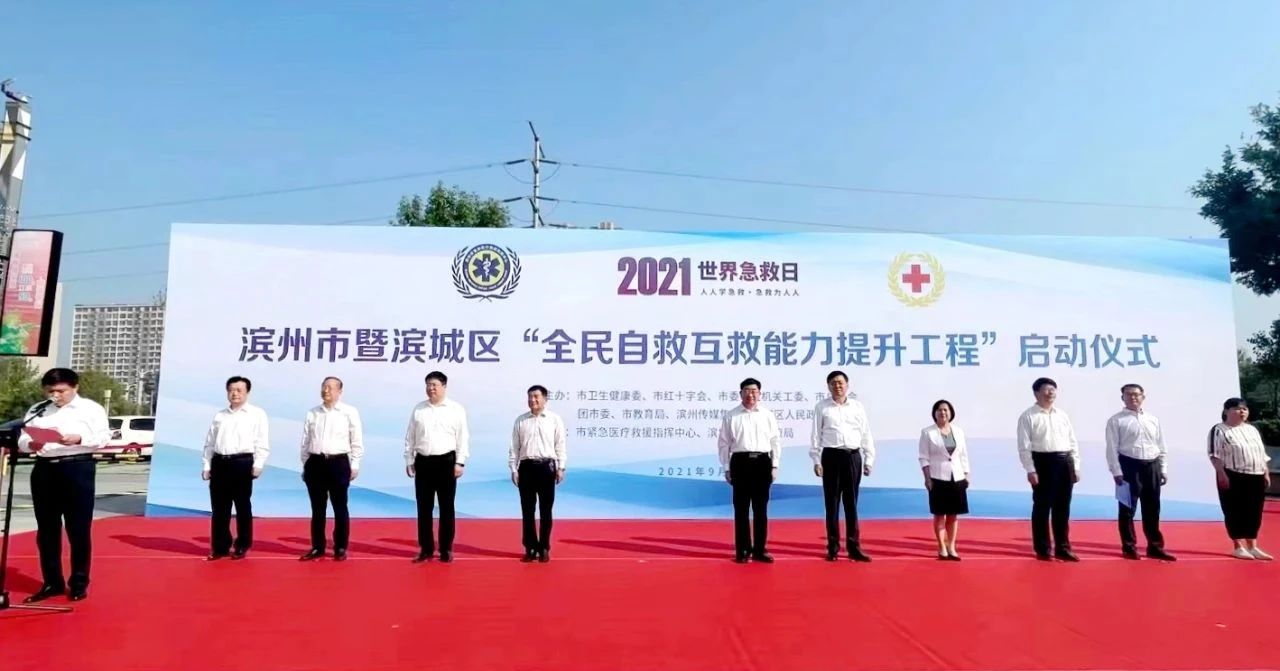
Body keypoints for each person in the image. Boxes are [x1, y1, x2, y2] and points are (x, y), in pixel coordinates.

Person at [17, 368, 111, 603]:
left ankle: (78, 582)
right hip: (44, 469)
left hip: (77, 467)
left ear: (75, 387)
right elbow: (23, 438)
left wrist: (79, 438)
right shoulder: (38, 409)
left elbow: (103, 437)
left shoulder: (91, 409)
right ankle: (52, 582)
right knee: (47, 530)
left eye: (61, 391)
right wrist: (31, 444)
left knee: (78, 529)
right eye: (50, 391)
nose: (55, 396)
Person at [201, 376, 270, 560]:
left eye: (239, 390)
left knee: (242, 506)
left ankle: (242, 544)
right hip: (220, 463)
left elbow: (262, 442)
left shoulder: (257, 414)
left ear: (247, 392)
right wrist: (207, 465)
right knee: (219, 508)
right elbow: (210, 443)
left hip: (242, 463)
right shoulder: (220, 415)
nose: (235, 394)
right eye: (231, 390)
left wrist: (258, 464)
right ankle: (220, 547)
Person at [1104, 384, 1176, 561]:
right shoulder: (1116, 420)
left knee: (1152, 508)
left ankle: (1155, 547)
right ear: (1122, 398)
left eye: (1136, 394)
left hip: (1152, 465)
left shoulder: (1153, 419)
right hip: (1128, 466)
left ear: (1143, 397)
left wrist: (1163, 468)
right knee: (1127, 509)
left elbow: (1161, 446)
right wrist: (1116, 471)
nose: (1133, 397)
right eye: (1128, 394)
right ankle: (1129, 547)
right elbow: (1111, 448)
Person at [404, 371, 469, 563]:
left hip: (446, 462)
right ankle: (426, 548)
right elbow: (410, 437)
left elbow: (462, 437)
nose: (431, 388)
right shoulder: (419, 409)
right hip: (423, 462)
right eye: (428, 385)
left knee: (446, 507)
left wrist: (460, 462)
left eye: (434, 385)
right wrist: (409, 460)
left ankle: (446, 548)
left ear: (444, 386)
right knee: (423, 507)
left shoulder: (456, 409)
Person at [809, 370, 875, 562]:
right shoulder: (822, 407)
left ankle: (854, 547)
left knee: (851, 504)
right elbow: (815, 435)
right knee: (832, 503)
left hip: (853, 456)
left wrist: (869, 459)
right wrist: (816, 460)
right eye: (833, 383)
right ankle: (833, 547)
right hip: (831, 456)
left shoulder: (857, 407)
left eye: (840, 382)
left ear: (847, 385)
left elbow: (865, 433)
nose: (837, 386)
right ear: (828, 386)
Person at [298, 377, 364, 562]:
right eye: (323, 387)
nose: (326, 390)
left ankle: (340, 547)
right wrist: (306, 464)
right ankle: (317, 547)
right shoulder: (313, 413)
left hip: (338, 462)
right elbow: (305, 441)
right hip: (315, 462)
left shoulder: (349, 412)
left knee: (340, 507)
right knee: (317, 508)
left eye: (330, 387)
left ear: (339, 391)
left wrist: (355, 464)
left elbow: (356, 441)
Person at [1016, 377, 1081, 561]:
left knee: (1063, 507)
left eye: (1053, 389)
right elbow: (1024, 447)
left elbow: (1072, 442)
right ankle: (1043, 548)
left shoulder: (1062, 415)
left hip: (1065, 461)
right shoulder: (1028, 416)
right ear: (1036, 393)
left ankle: (1063, 548)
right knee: (1042, 507)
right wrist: (1030, 469)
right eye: (1046, 389)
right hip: (1043, 462)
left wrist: (1075, 466)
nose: (1050, 392)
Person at [718, 377, 781, 563]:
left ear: (759, 394)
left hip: (762, 462)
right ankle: (743, 550)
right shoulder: (731, 416)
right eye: (746, 390)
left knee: (761, 509)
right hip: (740, 462)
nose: (750, 394)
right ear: (740, 393)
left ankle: (760, 550)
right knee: (741, 508)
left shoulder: (767, 415)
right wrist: (726, 467)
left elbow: (775, 441)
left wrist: (774, 465)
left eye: (754, 391)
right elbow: (723, 444)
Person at [509, 384, 567, 563]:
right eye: (530, 397)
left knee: (545, 511)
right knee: (527, 510)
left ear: (545, 399)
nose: (532, 400)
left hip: (546, 467)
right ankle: (530, 547)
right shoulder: (521, 420)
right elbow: (514, 447)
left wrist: (561, 467)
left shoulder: (554, 419)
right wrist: (513, 469)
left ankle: (544, 547)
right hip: (526, 467)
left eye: (536, 396)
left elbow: (560, 444)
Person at [1209, 398, 1272, 560]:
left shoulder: (1252, 430)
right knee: (1234, 510)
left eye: (1245, 409)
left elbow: (1261, 453)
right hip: (1232, 474)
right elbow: (1215, 455)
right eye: (1237, 408)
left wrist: (1265, 472)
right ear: (1226, 411)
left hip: (1256, 474)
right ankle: (1238, 546)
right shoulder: (1219, 430)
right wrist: (1221, 474)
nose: (1242, 411)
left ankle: (1253, 546)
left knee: (1254, 512)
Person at [918, 399, 971, 560]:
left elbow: (963, 455)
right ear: (934, 413)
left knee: (953, 515)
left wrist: (966, 474)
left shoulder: (958, 431)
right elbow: (923, 457)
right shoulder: (927, 432)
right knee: (939, 515)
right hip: (937, 477)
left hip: (957, 477)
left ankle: (952, 546)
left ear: (951, 413)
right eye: (939, 410)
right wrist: (927, 478)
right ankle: (942, 547)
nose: (943, 412)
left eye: (946, 410)